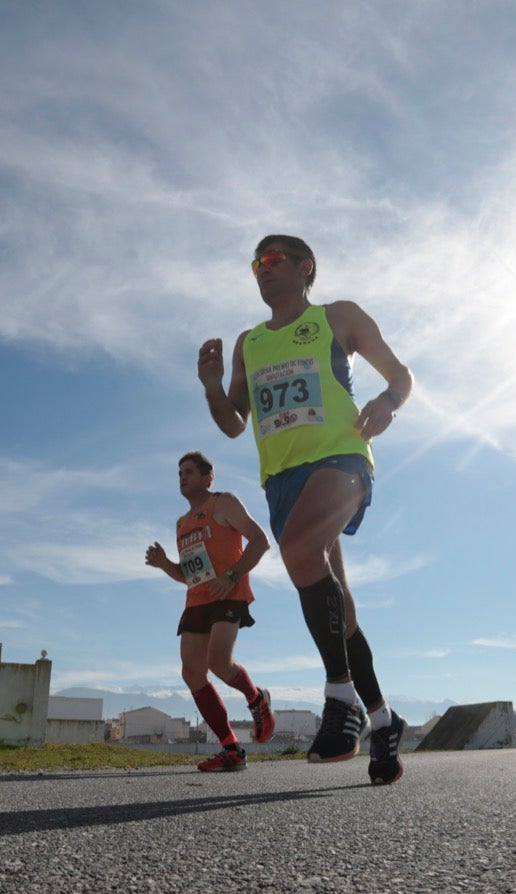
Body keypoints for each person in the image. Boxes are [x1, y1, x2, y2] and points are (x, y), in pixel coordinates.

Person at [197, 235, 414, 785]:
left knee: (297, 549)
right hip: (283, 482)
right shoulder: (250, 342)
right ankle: (385, 721)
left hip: (341, 459)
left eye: (272, 260)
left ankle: (341, 700)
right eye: (255, 264)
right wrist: (210, 386)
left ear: (304, 267)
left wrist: (387, 404)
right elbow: (233, 422)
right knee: (343, 611)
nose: (261, 270)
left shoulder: (338, 317)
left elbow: (401, 377)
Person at [144, 451, 274, 772]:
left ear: (208, 477)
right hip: (197, 601)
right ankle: (231, 750)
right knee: (191, 673)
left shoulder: (224, 503)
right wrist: (164, 565)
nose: (182, 477)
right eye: (179, 473)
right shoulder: (182, 523)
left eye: (188, 471)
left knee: (218, 662)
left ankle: (256, 700)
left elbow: (260, 541)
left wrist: (231, 576)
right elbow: (189, 574)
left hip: (228, 593)